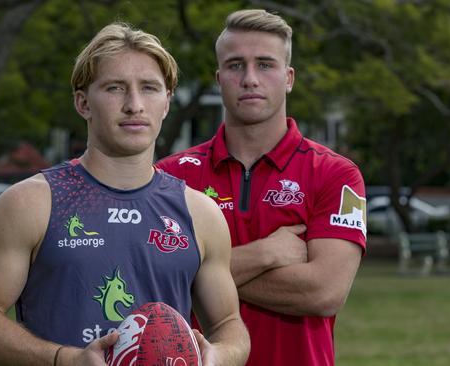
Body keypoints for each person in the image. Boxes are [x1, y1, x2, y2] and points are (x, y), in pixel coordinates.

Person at [0, 22, 250, 366]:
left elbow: (230, 327)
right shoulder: (31, 203)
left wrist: (216, 357)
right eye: (115, 88)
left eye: (150, 88)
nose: (134, 105)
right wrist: (64, 359)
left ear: (167, 103)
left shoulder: (200, 213)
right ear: (83, 103)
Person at [156, 9, 366, 366]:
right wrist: (267, 254)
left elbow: (323, 292)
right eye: (236, 65)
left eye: (265, 65)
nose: (250, 78)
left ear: (289, 78)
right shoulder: (169, 177)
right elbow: (153, 282)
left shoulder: (337, 174)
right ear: (218, 78)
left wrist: (193, 274)